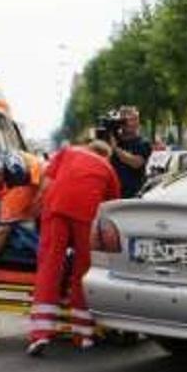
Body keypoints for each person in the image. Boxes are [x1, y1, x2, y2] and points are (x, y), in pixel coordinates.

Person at [27, 140, 120, 357]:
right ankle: (82, 334)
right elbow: (110, 210)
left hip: (57, 206)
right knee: (83, 269)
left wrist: (38, 213)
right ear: (105, 156)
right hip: (87, 213)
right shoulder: (108, 169)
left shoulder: (67, 152)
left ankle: (41, 333)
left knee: (49, 267)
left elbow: (46, 185)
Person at [0, 150, 45, 273]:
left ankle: (48, 263)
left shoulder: (16, 189)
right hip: (49, 185)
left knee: (18, 232)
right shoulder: (3, 159)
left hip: (53, 196)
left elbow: (3, 231)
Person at [108, 105, 152, 199]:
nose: (130, 123)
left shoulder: (143, 143)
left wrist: (115, 148)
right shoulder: (112, 140)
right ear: (120, 122)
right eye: (126, 120)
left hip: (134, 198)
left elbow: (136, 163)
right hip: (113, 197)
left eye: (134, 119)